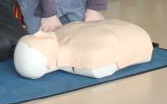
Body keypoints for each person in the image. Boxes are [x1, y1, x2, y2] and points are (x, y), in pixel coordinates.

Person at [13, 19, 153, 79]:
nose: (39, 33)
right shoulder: (89, 58)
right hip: (136, 36)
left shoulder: (59, 34)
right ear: (48, 63)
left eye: (34, 36)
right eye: (39, 40)